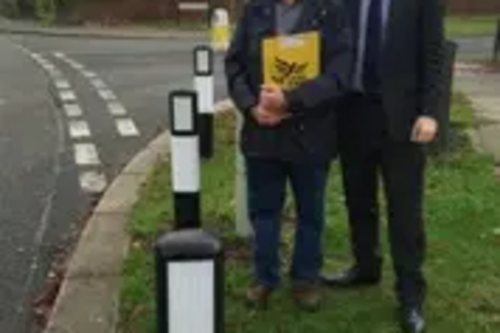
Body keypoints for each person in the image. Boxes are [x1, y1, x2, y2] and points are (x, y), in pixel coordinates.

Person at [320, 0, 445, 332]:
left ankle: (410, 296)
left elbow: (434, 54)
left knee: (404, 211)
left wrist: (431, 111)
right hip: (353, 112)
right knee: (358, 199)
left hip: (403, 119)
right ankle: (365, 267)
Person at [224, 0, 352, 311]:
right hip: (263, 133)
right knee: (264, 211)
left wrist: (290, 100)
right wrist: (251, 106)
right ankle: (264, 277)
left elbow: (339, 76)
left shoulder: (330, 11)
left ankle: (305, 280)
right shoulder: (256, 9)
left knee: (311, 213)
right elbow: (234, 65)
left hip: (311, 134)